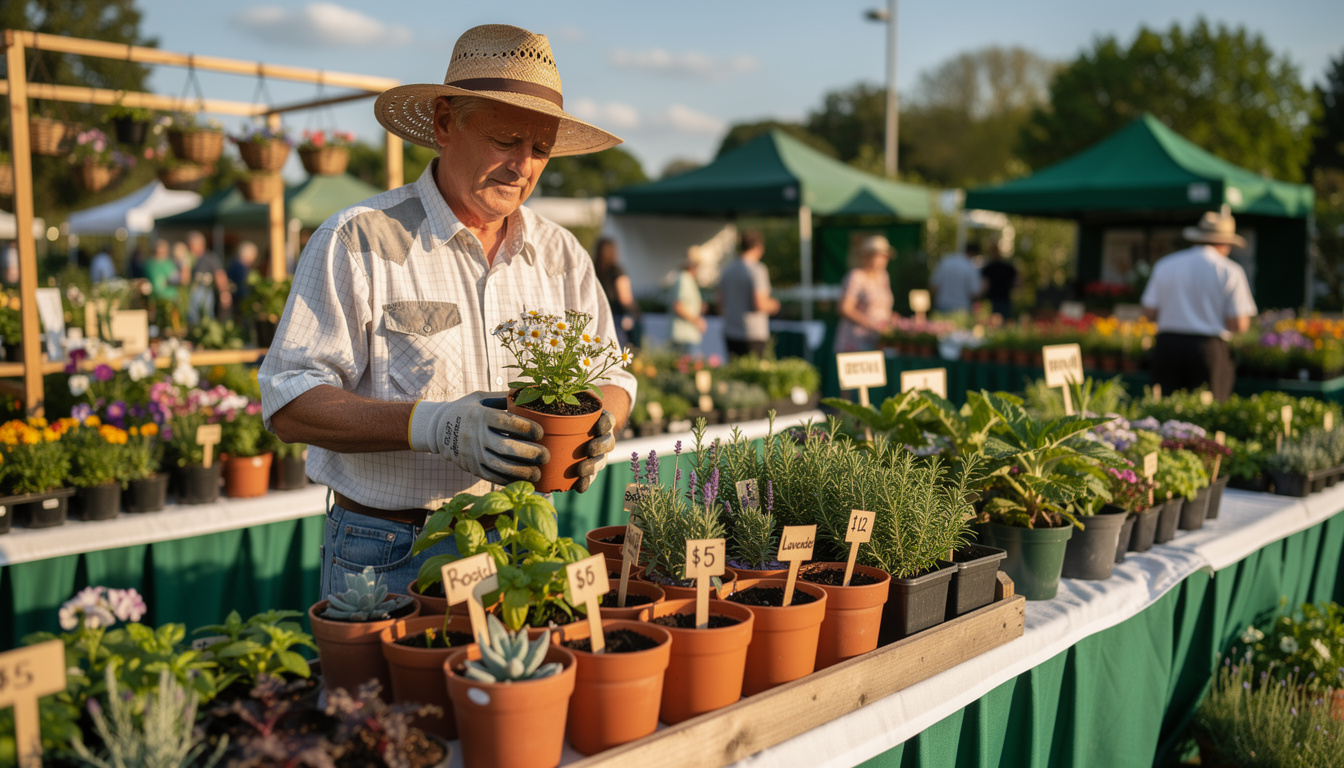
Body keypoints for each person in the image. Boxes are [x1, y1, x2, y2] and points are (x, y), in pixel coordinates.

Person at [258, 24, 635, 598]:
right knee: (394, 692)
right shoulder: (359, 239)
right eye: (506, 140)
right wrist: (432, 425)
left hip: (519, 538)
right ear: (443, 124)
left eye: (539, 149)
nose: (523, 166)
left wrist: (598, 424)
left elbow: (613, 374)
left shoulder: (560, 254)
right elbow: (289, 400)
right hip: (391, 547)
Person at [1141, 209, 1257, 401]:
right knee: (1207, 414)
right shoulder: (1229, 270)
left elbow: (1149, 313)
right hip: (1209, 349)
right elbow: (1239, 324)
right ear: (1224, 243)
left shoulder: (1166, 264)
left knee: (1164, 410)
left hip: (1167, 346)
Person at [718, 230, 779, 358]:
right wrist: (775, 305)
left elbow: (719, 301)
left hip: (731, 330)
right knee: (753, 374)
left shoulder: (727, 270)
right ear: (758, 247)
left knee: (734, 374)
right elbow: (760, 303)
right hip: (753, 333)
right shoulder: (757, 269)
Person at [834, 235, 894, 353]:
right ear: (867, 256)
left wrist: (890, 319)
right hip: (855, 341)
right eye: (880, 256)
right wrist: (871, 324)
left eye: (885, 256)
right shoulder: (856, 276)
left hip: (877, 340)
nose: (883, 260)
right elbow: (844, 308)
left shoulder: (884, 276)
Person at [594, 237, 641, 349]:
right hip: (616, 315)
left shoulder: (594, 269)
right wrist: (635, 312)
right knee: (617, 348)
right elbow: (625, 297)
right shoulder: (616, 270)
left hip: (597, 313)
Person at [186, 231, 230, 324]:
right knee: (192, 317)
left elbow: (220, 275)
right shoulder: (188, 258)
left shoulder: (210, 258)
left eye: (191, 245)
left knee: (207, 317)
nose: (189, 248)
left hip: (205, 291)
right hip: (190, 291)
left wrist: (224, 292)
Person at [669, 246, 706, 357]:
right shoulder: (684, 279)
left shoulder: (686, 279)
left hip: (687, 334)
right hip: (684, 335)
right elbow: (678, 306)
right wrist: (697, 320)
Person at [929, 242, 983, 314]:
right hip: (962, 309)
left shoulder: (946, 261)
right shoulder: (970, 267)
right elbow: (974, 293)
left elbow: (933, 286)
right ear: (974, 253)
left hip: (942, 305)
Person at [980, 243, 1018, 319]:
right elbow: (1018, 283)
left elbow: (985, 286)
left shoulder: (988, 268)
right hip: (1005, 300)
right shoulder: (1009, 268)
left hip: (992, 301)